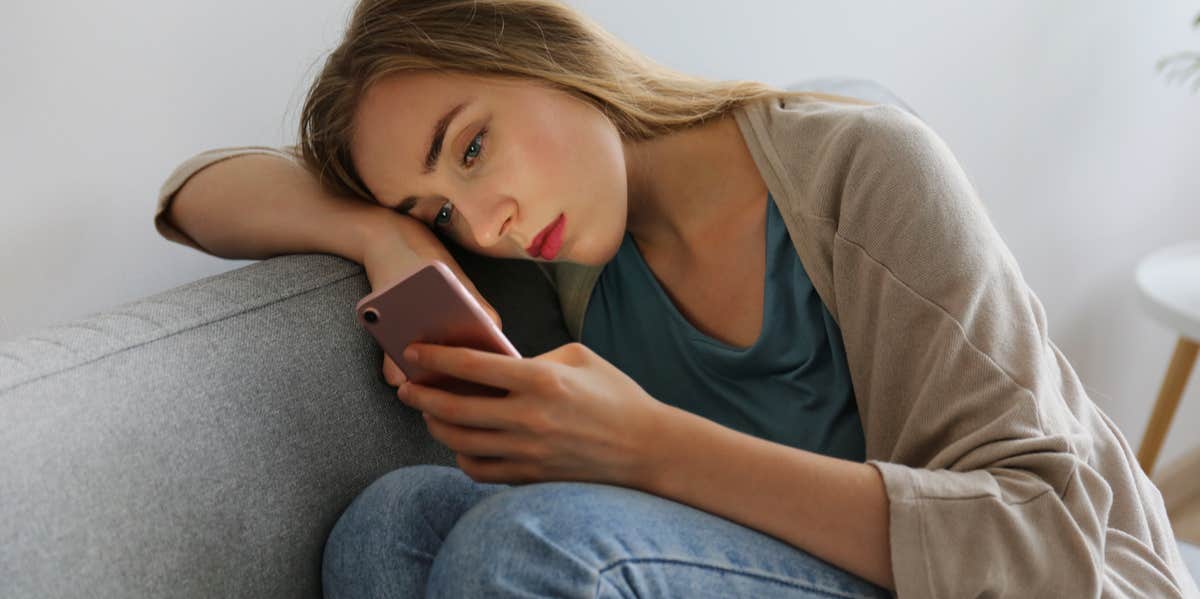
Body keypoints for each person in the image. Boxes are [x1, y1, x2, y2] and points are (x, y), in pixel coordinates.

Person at [154, 1, 1198, 597]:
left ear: (548, 49)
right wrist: (378, 231)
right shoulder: (553, 262)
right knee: (388, 526)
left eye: (473, 144)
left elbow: (1047, 542)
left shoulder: (860, 168)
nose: (488, 222)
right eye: (442, 204)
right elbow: (196, 197)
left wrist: (644, 446)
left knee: (530, 543)